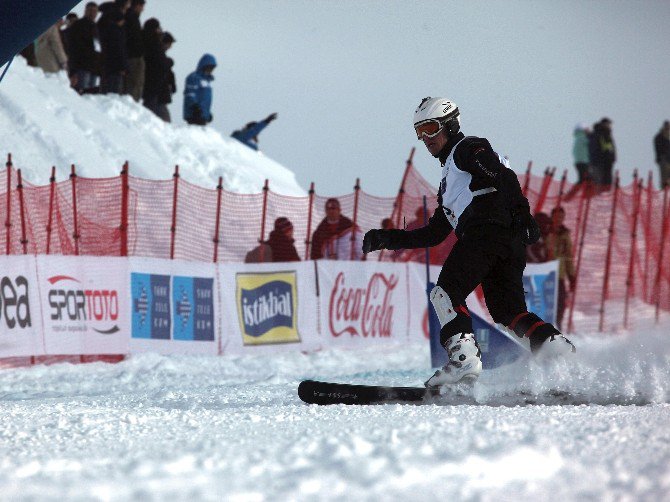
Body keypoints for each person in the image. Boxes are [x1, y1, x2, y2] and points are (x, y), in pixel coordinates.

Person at [362, 97, 576, 388]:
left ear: (450, 125)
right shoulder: (451, 178)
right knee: (508, 313)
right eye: (419, 132)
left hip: (487, 231)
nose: (425, 138)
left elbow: (503, 175)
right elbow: (434, 233)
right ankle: (557, 353)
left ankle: (463, 364)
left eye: (430, 128)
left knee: (445, 294)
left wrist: (524, 213)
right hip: (505, 240)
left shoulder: (466, 149)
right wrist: (388, 238)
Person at [546, 207, 576, 330]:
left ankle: (558, 326)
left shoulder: (565, 234)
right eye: (556, 217)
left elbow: (568, 256)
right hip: (545, 274)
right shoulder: (545, 231)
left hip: (559, 275)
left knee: (561, 303)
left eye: (561, 217)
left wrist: (572, 276)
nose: (558, 219)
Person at [67, 2, 100, 94]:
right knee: (81, 94)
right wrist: (73, 70)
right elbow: (73, 48)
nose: (93, 13)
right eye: (90, 11)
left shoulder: (95, 27)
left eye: (95, 11)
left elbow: (97, 48)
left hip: (93, 68)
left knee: (90, 96)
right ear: (85, 11)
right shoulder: (78, 25)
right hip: (81, 67)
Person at [98, 4, 128, 94]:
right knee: (114, 92)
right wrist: (123, 67)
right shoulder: (117, 32)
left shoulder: (104, 28)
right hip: (116, 67)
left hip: (106, 65)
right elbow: (119, 50)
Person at [183, 54, 216, 125]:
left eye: (212, 68)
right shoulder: (194, 78)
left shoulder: (207, 82)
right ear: (204, 66)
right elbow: (190, 94)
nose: (211, 70)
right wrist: (195, 107)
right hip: (194, 115)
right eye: (209, 67)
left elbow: (204, 100)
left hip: (202, 116)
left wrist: (207, 113)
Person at [123, 0, 145, 101]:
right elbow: (132, 37)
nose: (142, 9)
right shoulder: (131, 17)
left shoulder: (131, 17)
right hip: (133, 56)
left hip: (132, 55)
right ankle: (132, 103)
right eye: (141, 5)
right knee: (134, 84)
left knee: (135, 83)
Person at [589, 117, 616, 191]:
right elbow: (604, 148)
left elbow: (610, 148)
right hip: (599, 162)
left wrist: (612, 157)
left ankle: (602, 196)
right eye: (608, 124)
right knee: (599, 181)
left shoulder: (605, 134)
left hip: (605, 162)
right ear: (604, 124)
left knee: (605, 181)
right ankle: (597, 198)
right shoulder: (601, 134)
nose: (609, 126)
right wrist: (609, 157)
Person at [654, 121, 670, 188]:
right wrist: (660, 156)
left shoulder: (667, 137)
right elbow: (658, 147)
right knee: (664, 177)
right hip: (663, 159)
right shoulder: (660, 137)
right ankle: (664, 190)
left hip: (668, 159)